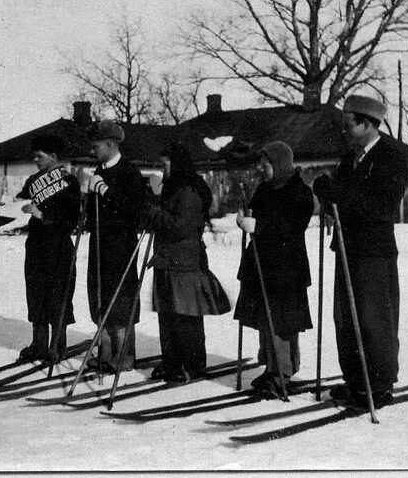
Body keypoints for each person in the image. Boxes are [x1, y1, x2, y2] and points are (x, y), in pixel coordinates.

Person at [313, 94, 408, 409]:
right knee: (346, 318)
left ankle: (379, 384)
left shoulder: (390, 158)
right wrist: (326, 196)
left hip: (374, 253)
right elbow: (340, 203)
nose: (344, 130)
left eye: (349, 124)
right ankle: (355, 380)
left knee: (373, 318)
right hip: (345, 248)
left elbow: (381, 208)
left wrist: (337, 193)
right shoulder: (347, 159)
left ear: (368, 124)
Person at [143, 142, 231, 383]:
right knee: (167, 313)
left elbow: (180, 227)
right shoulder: (172, 188)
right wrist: (150, 203)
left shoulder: (190, 190)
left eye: (165, 165)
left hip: (185, 261)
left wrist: (153, 210)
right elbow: (162, 219)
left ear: (178, 163)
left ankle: (192, 364)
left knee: (186, 315)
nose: (162, 171)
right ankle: (171, 360)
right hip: (166, 259)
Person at [234, 141, 314, 397]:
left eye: (266, 164)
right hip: (262, 265)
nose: (261, 168)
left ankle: (283, 371)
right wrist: (245, 220)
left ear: (279, 164)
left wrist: (258, 226)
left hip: (286, 269)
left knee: (281, 322)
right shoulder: (265, 188)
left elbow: (290, 227)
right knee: (264, 320)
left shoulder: (298, 191)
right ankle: (271, 368)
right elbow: (255, 215)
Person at [82, 121, 147, 373]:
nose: (93, 151)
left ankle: (123, 356)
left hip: (121, 246)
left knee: (120, 299)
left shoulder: (129, 172)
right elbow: (92, 213)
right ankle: (105, 353)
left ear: (110, 144)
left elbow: (135, 210)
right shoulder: (99, 170)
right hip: (99, 244)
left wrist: (105, 191)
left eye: (96, 146)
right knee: (100, 296)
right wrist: (88, 198)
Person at [16, 135, 81, 363]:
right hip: (35, 246)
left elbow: (72, 219)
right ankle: (39, 343)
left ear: (54, 157)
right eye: (34, 156)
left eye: (40, 156)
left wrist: (42, 215)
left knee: (59, 296)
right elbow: (20, 204)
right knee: (36, 295)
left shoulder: (70, 182)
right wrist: (13, 207)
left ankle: (57, 346)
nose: (35, 160)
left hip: (59, 246)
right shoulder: (32, 181)